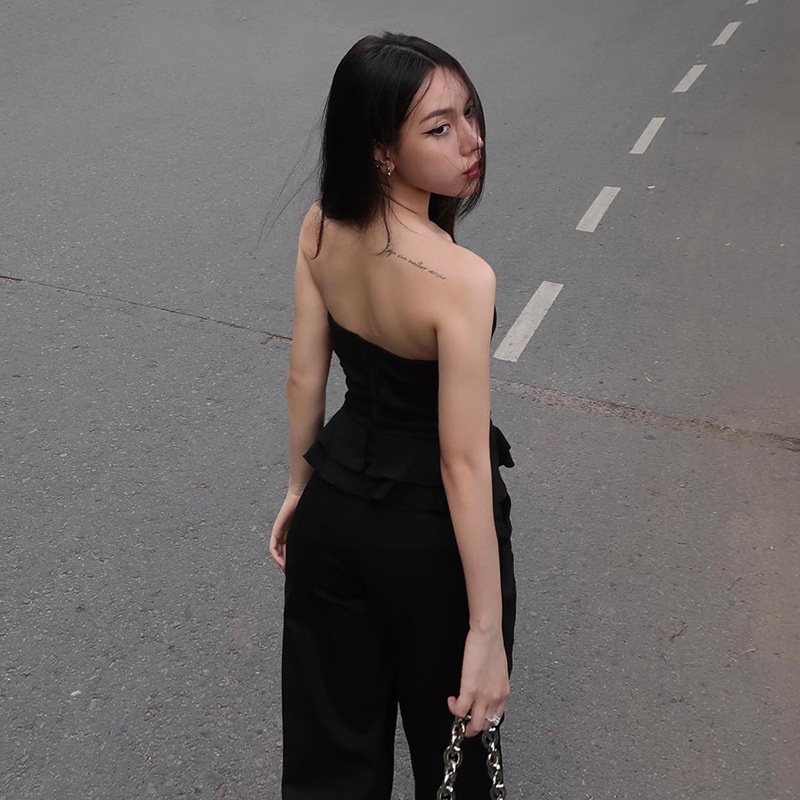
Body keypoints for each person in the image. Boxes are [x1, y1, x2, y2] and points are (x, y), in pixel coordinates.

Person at [269, 32, 516, 800]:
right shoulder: (462, 279)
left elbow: (305, 375)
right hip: (428, 538)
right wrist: (486, 633)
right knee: (455, 754)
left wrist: (299, 488)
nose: (471, 141)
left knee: (331, 761)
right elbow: (462, 463)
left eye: (469, 114)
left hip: (334, 515)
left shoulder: (319, 225)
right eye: (440, 128)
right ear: (381, 151)